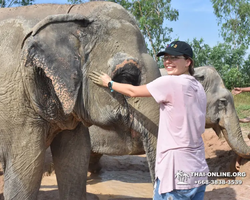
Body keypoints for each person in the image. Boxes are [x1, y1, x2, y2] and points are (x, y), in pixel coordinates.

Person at [89, 41, 209, 200]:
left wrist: (108, 83)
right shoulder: (198, 87)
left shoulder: (171, 82)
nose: (168, 62)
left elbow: (132, 91)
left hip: (175, 175)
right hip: (198, 172)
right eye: (166, 58)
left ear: (188, 62)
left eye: (174, 58)